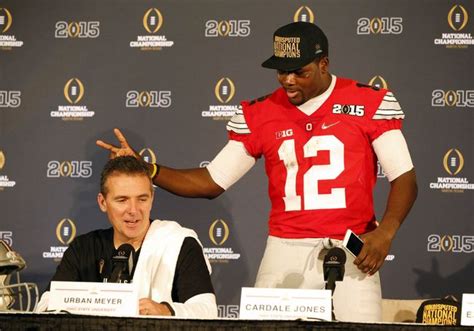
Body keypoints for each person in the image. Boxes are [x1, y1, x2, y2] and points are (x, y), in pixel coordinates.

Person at [96, 22, 417, 322]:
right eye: (282, 71)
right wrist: (148, 169)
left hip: (350, 249)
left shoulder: (368, 101)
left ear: (324, 64)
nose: (288, 80)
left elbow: (404, 177)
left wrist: (385, 233)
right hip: (284, 248)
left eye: (299, 72)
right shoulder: (262, 112)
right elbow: (211, 181)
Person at [36, 156, 217, 318]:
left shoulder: (179, 243)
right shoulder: (83, 248)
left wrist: (166, 310)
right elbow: (45, 307)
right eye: (122, 200)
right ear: (102, 202)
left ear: (152, 199)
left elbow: (206, 311)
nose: (133, 210)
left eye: (142, 199)